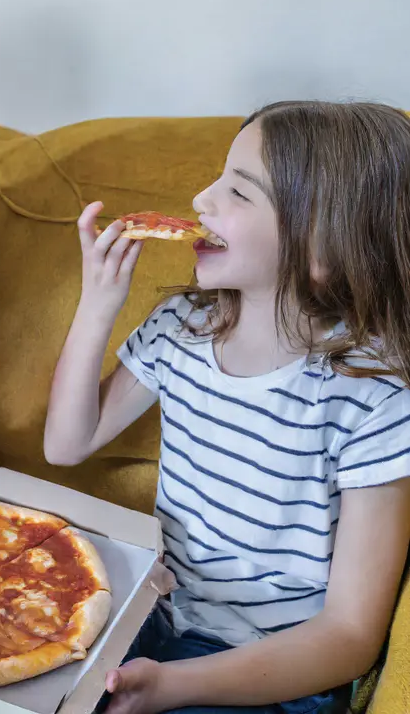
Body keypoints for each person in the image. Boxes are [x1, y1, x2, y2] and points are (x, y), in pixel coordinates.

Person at [43, 101, 410, 714]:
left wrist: (169, 687)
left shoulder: (373, 398)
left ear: (326, 244)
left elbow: (350, 635)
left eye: (238, 192)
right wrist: (98, 304)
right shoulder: (181, 327)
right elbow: (66, 444)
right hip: (147, 618)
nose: (201, 199)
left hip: (267, 673)